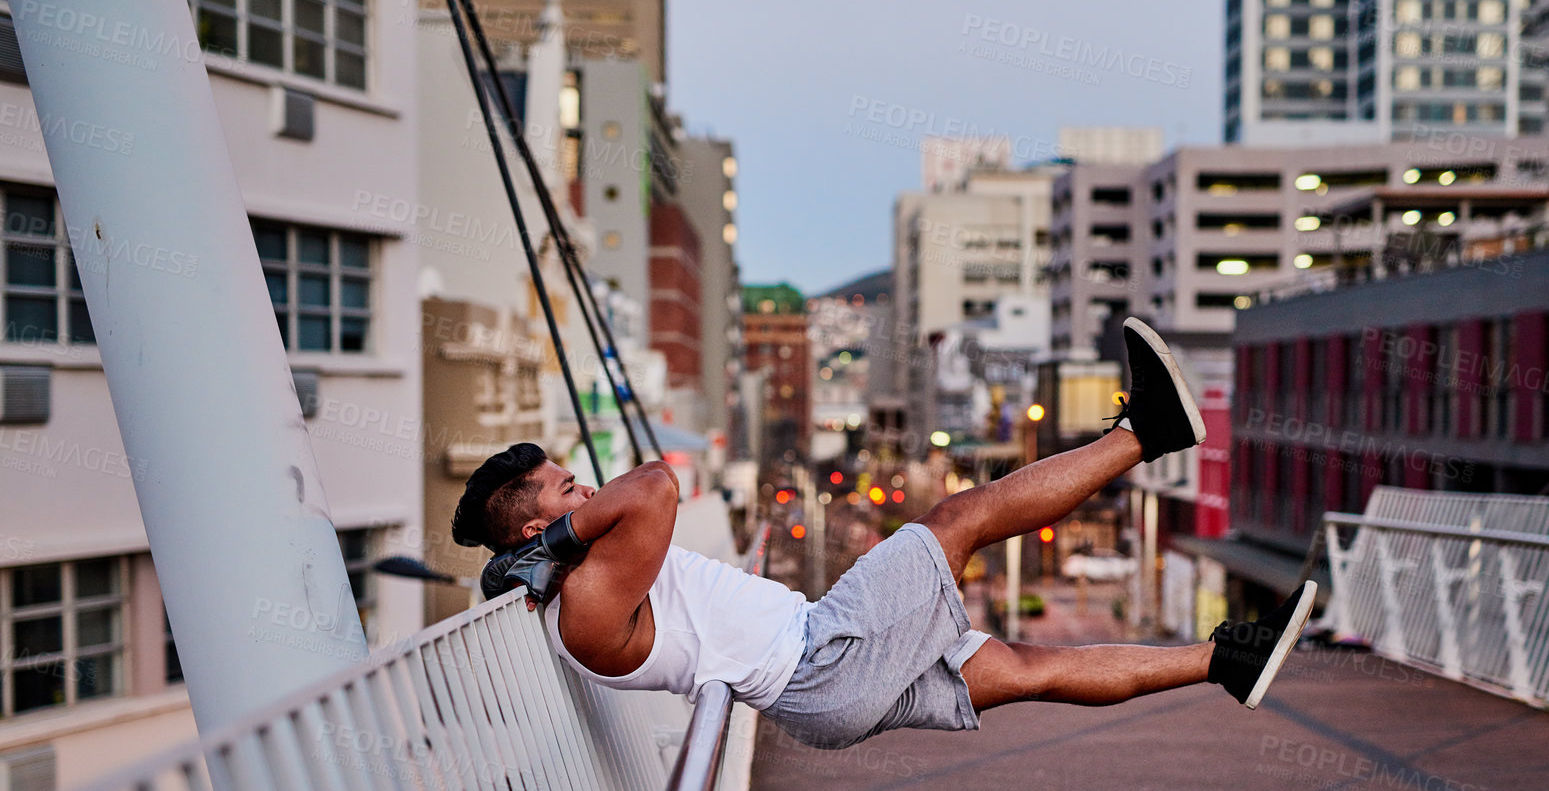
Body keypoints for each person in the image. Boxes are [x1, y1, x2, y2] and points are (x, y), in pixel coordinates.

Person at [451, 319, 1315, 750]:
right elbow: (656, 486)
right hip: (822, 660)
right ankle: (1148, 434)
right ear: (535, 528)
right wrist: (561, 537)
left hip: (822, 674)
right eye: (568, 491)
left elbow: (633, 495)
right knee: (955, 519)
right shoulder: (584, 600)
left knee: (1025, 667)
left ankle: (1224, 661)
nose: (588, 492)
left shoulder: (578, 576)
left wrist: (553, 536)